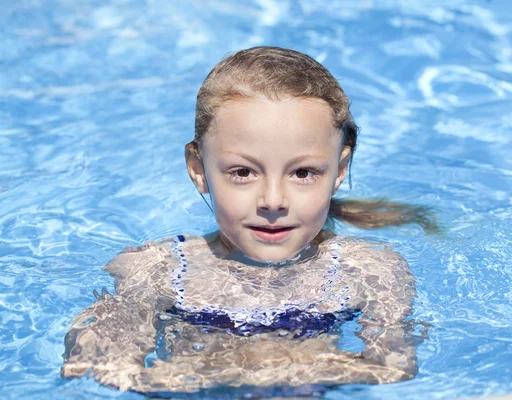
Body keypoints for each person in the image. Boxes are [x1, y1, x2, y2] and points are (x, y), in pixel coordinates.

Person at [61, 46, 437, 395]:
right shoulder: (157, 269)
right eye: (243, 172)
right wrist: (287, 366)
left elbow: (394, 368)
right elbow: (97, 369)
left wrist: (226, 369)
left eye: (303, 173)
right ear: (198, 169)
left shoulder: (368, 269)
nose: (273, 201)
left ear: (338, 170)